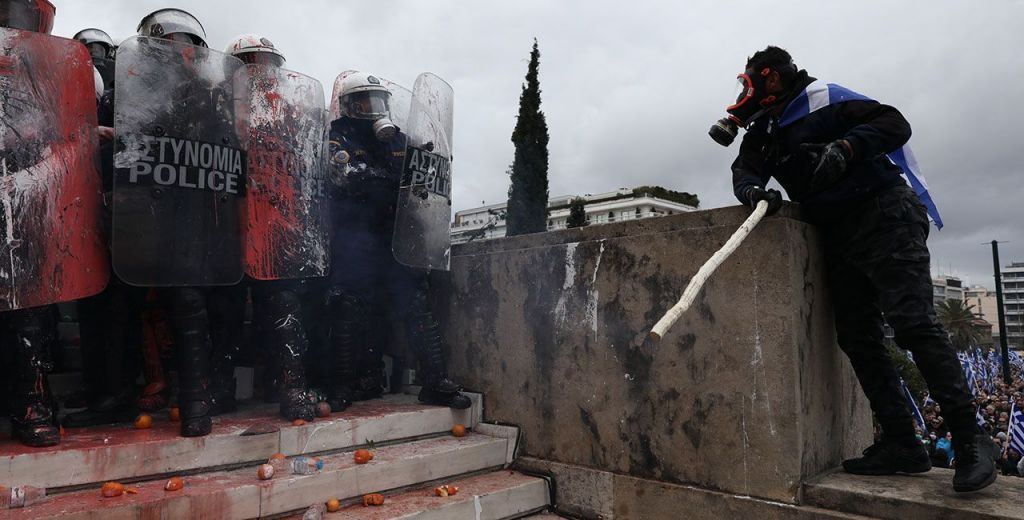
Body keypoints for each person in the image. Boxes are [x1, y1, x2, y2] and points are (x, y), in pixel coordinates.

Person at [717, 46, 996, 492]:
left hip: (884, 213)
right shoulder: (765, 131)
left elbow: (894, 123)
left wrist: (847, 147)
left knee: (913, 324)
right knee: (857, 337)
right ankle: (903, 444)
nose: (743, 93)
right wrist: (753, 192)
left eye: (748, 83)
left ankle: (970, 439)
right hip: (837, 232)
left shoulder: (823, 99)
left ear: (770, 79)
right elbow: (744, 170)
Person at [326, 72, 470, 410]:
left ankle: (435, 382)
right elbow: (347, 177)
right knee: (349, 308)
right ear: (348, 106)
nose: (373, 108)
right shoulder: (337, 136)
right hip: (355, 240)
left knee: (415, 303)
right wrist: (393, 179)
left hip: (397, 240)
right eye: (365, 101)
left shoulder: (399, 140)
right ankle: (347, 385)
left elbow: (423, 177)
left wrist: (430, 161)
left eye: (379, 101)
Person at [224, 34, 320, 420]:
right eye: (253, 62)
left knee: (283, 308)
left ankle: (289, 387)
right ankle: (218, 388)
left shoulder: (291, 116)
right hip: (228, 228)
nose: (263, 72)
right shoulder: (217, 106)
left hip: (274, 230)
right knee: (224, 311)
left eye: (268, 64)